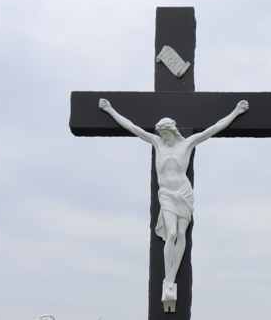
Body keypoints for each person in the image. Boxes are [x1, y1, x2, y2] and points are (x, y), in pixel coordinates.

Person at [99, 98, 249, 303]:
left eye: (165, 133)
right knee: (170, 233)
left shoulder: (188, 143)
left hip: (184, 192)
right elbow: (131, 127)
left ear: (173, 130)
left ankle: (173, 276)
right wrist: (110, 110)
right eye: (161, 134)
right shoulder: (156, 142)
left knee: (181, 232)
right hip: (167, 195)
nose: (163, 137)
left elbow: (215, 128)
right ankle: (168, 278)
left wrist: (236, 112)